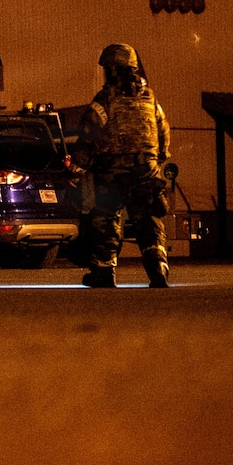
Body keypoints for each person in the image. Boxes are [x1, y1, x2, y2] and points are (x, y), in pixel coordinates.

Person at [76, 42, 173, 288]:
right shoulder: (150, 97)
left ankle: (104, 272)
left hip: (112, 171)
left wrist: (77, 164)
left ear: (112, 69)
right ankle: (158, 267)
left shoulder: (106, 98)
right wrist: (158, 157)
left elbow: (89, 131)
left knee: (106, 217)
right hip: (146, 169)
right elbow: (163, 129)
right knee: (149, 218)